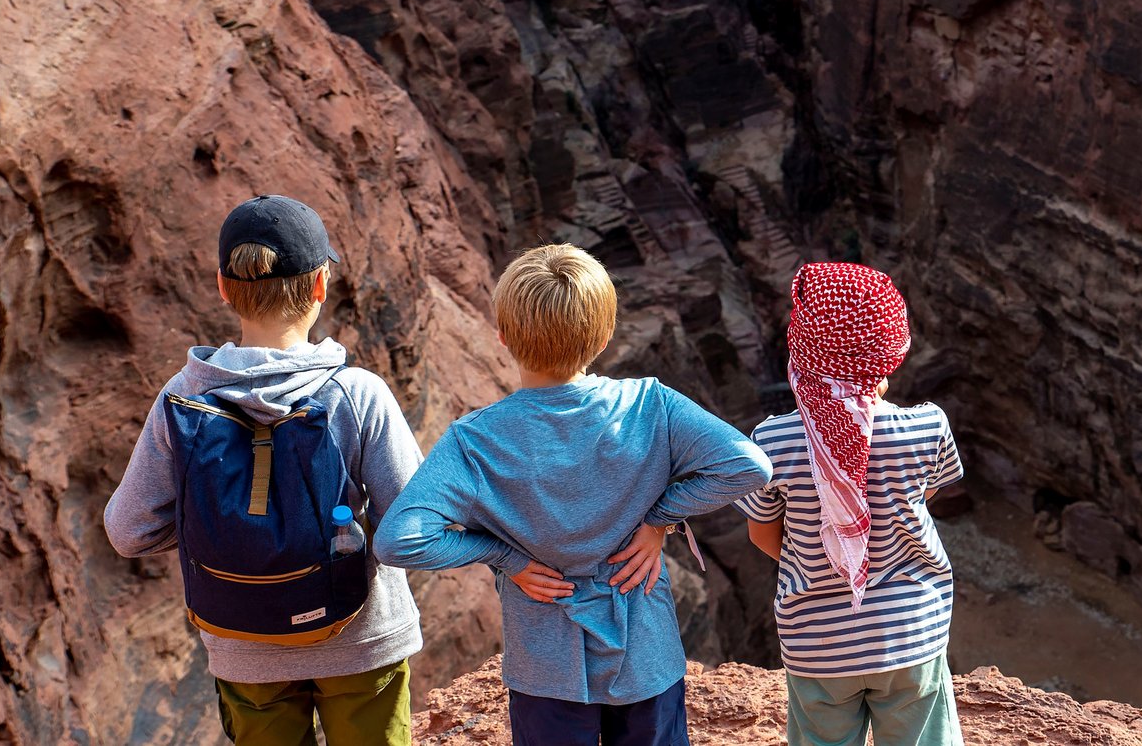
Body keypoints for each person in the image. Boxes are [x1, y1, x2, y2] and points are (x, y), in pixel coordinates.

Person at [374, 243, 772, 746]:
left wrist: (504, 557)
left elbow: (399, 541)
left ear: (502, 336)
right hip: (644, 654)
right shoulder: (651, 405)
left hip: (545, 667)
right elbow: (748, 466)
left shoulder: (475, 440)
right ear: (604, 335)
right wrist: (658, 521)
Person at [105, 194, 422, 745]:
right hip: (361, 640)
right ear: (321, 285)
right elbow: (409, 531)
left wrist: (227, 530)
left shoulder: (180, 401)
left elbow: (128, 531)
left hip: (244, 648)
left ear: (224, 288)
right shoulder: (357, 394)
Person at [743, 262, 965, 746]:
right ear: (892, 352)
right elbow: (921, 501)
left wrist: (824, 560)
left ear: (801, 349)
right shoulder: (928, 428)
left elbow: (762, 534)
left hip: (816, 645)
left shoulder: (771, 442)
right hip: (910, 634)